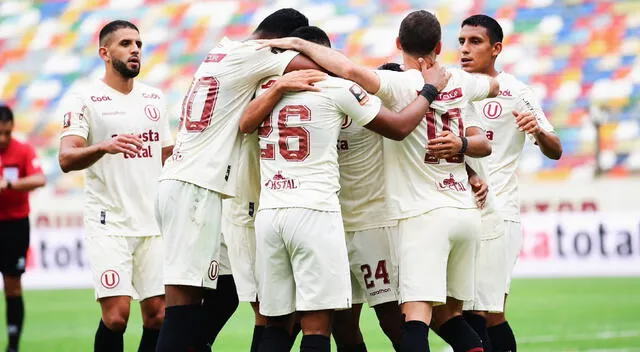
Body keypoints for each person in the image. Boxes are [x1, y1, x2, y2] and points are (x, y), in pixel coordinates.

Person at [255, 9, 498, 352]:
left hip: (361, 223)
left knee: (379, 321)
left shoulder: (325, 96)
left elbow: (411, 132)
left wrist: (468, 168)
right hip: (337, 224)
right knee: (352, 323)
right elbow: (415, 127)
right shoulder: (348, 97)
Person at [153, 8, 328, 351]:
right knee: (182, 310)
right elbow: (322, 69)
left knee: (224, 295)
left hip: (188, 183)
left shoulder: (221, 50)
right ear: (280, 43)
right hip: (196, 188)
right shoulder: (256, 55)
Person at [57, 20, 173, 352]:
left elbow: (167, 155)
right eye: (126, 44)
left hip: (153, 223)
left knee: (158, 316)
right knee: (117, 317)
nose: (135, 49)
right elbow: (66, 158)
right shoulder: (84, 98)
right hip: (110, 223)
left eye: (138, 43)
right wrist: (103, 146)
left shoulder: (154, 98)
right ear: (105, 53)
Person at [458, 14, 562, 352]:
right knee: (458, 309)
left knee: (486, 312)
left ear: (496, 48)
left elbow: (555, 149)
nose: (465, 49)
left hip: (499, 211)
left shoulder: (517, 92)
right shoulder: (453, 88)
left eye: (475, 42)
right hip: (460, 210)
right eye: (461, 41)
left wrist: (537, 130)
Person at [331, 61, 405, 352]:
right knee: (341, 324)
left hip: (374, 225)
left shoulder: (385, 116)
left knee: (391, 319)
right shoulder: (349, 103)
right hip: (334, 226)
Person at [0, 105, 46, 352]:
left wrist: (8, 184)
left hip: (15, 226)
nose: (3, 139)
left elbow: (40, 179)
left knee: (12, 286)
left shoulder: (24, 150)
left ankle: (13, 345)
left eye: (7, 132)